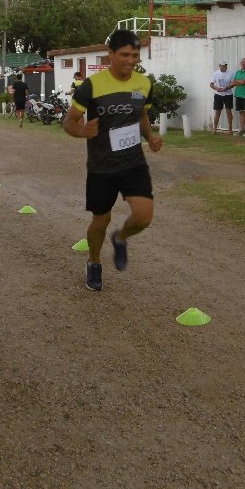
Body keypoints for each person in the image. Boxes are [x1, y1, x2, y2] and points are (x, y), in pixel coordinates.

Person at [63, 29, 163, 292]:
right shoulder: (92, 86)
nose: (130, 60)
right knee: (100, 220)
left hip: (133, 162)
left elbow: (142, 115)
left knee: (143, 217)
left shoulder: (144, 83)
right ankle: (94, 262)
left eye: (135, 55)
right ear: (110, 54)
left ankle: (120, 238)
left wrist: (151, 136)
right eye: (124, 55)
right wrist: (82, 131)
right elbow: (69, 122)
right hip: (102, 166)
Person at [209, 60, 235, 134]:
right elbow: (211, 84)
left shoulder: (230, 73)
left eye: (225, 66)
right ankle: (215, 129)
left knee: (228, 111)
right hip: (218, 95)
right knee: (217, 112)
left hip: (228, 94)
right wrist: (216, 88)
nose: (224, 67)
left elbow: (233, 83)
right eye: (222, 66)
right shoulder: (215, 73)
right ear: (219, 66)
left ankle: (230, 129)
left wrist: (226, 88)